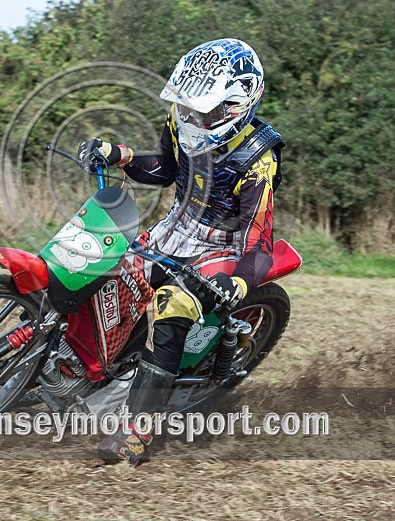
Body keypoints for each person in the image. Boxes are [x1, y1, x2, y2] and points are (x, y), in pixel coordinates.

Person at [78, 38, 283, 466]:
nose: (190, 118)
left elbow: (260, 239)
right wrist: (119, 155)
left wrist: (239, 281)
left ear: (235, 106)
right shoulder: (180, 121)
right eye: (186, 108)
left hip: (223, 247)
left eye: (202, 112)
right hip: (175, 228)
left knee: (171, 309)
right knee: (102, 267)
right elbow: (167, 169)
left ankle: (137, 431)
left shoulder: (258, 158)